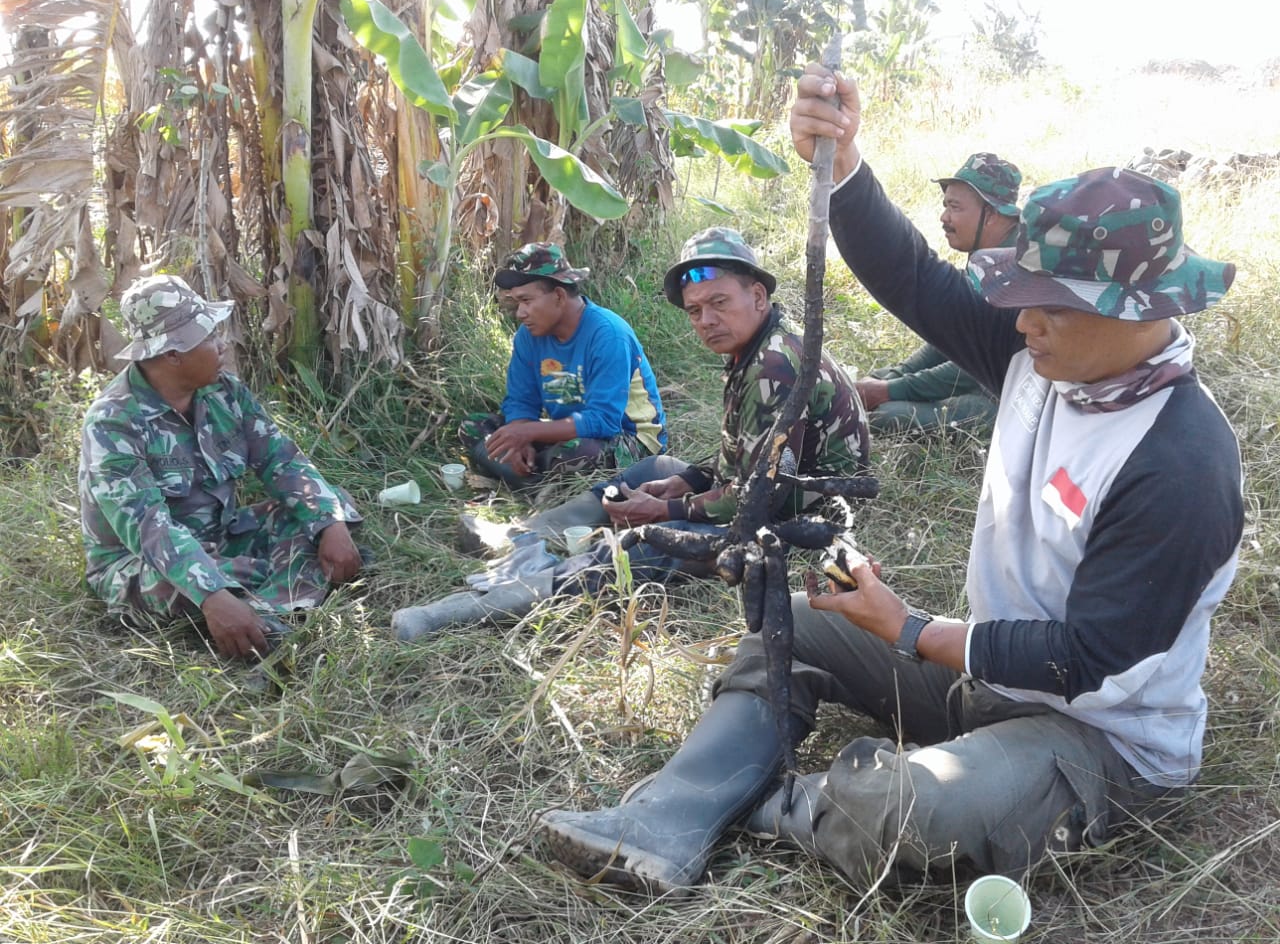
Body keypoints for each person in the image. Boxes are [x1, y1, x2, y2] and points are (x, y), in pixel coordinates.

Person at [535, 67, 1243, 895]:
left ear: (1135, 307)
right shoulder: (1038, 359)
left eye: (1049, 305)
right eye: (1022, 298)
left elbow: (1088, 658)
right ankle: (667, 817)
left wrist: (908, 629)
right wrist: (845, 165)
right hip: (989, 678)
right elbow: (916, 281)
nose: (1021, 321)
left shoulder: (1181, 461)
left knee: (924, 812)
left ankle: (795, 803)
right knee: (793, 621)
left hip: (1097, 733)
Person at [392, 228, 870, 641]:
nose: (705, 320)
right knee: (659, 470)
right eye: (695, 310)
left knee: (650, 542)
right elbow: (750, 460)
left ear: (758, 297)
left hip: (800, 521)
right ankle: (525, 538)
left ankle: (468, 608)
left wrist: (669, 509)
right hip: (772, 494)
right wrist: (691, 480)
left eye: (719, 303)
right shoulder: (760, 347)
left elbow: (761, 496)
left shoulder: (773, 366)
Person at [78, 275, 364, 660]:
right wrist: (212, 593)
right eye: (210, 337)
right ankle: (265, 606)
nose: (223, 345)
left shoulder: (224, 391)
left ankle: (268, 608)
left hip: (223, 534)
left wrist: (329, 523)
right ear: (173, 354)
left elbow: (282, 460)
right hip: (143, 562)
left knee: (330, 510)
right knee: (190, 584)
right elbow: (149, 529)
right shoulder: (113, 423)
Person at [458, 242, 667, 489]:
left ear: (558, 296)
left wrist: (528, 433)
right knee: (473, 428)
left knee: (577, 452)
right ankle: (537, 478)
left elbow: (604, 421)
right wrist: (519, 438)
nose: (520, 313)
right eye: (516, 303)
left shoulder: (609, 334)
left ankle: (527, 480)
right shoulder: (528, 336)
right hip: (566, 432)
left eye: (526, 300)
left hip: (626, 437)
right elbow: (521, 401)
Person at [856, 152, 1020, 436]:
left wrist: (891, 390)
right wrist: (894, 376)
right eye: (945, 206)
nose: (944, 217)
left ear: (991, 215)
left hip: (1010, 399)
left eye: (955, 207)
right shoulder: (989, 257)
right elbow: (957, 332)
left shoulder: (1014, 271)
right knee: (863, 388)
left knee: (886, 415)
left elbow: (972, 366)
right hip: (981, 382)